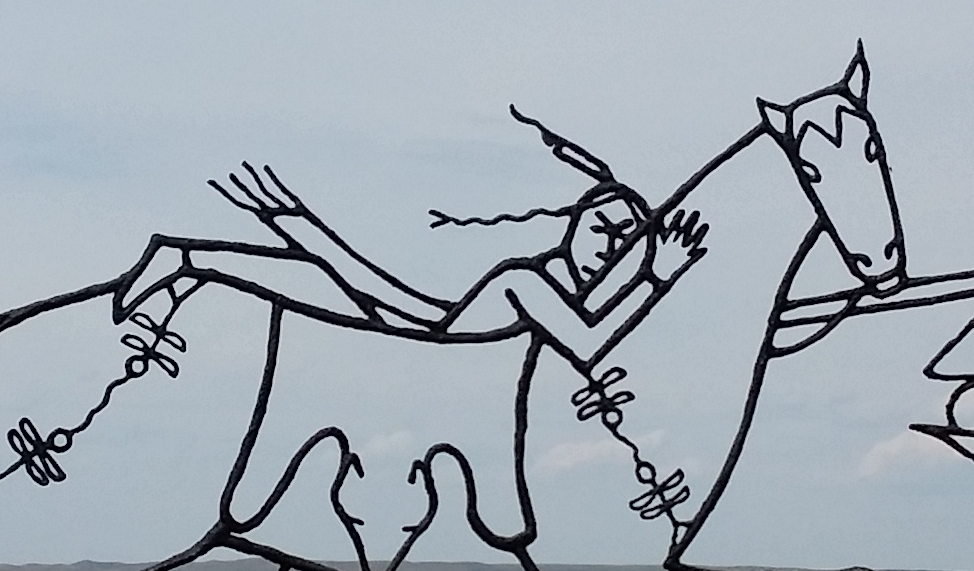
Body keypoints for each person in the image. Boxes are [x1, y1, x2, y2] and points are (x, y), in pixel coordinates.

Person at [119, 111, 702, 381]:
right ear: (572, 227)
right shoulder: (528, 281)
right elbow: (588, 344)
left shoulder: (556, 293)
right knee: (324, 280)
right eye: (601, 228)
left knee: (323, 274)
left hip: (420, 338)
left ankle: (193, 258)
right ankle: (191, 258)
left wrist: (308, 231)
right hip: (418, 347)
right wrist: (659, 277)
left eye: (624, 241)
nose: (610, 246)